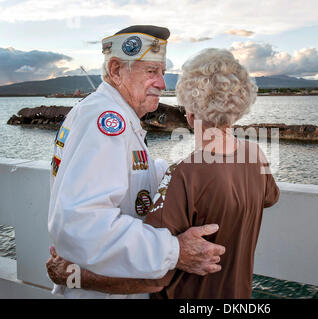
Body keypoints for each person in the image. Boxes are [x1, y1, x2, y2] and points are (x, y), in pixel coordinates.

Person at [47, 48, 280, 298]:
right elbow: (269, 196)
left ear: (189, 113)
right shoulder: (255, 155)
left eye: (162, 72)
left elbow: (155, 279)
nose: (160, 81)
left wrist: (70, 276)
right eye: (152, 71)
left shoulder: (185, 174)